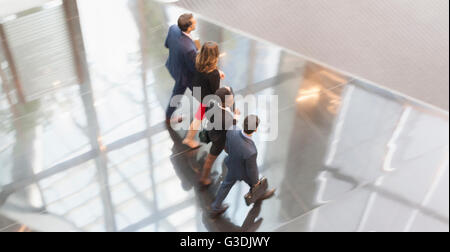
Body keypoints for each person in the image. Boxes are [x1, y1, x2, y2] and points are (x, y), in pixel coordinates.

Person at [210, 115, 276, 216]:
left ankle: (215, 207)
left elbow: (227, 146)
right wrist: (256, 184)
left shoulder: (233, 130)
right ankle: (259, 193)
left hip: (231, 164)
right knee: (250, 181)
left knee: (226, 185)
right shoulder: (251, 151)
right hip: (241, 171)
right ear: (255, 129)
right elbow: (252, 171)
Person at [183, 41, 225, 149]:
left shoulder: (198, 58)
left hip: (197, 89)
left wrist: (217, 71)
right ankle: (188, 139)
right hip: (206, 97)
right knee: (198, 118)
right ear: (216, 55)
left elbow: (207, 71)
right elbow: (215, 92)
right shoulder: (213, 74)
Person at [164, 13, 198, 125]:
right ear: (189, 27)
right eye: (194, 22)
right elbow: (194, 68)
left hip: (173, 66)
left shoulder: (173, 28)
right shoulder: (189, 49)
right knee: (180, 93)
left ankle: (168, 117)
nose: (196, 22)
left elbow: (167, 44)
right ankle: (168, 118)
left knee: (179, 92)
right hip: (184, 76)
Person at [200, 87, 237, 187]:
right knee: (210, 159)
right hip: (219, 141)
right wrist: (235, 118)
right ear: (224, 102)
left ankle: (232, 157)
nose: (233, 99)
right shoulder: (227, 118)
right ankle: (203, 179)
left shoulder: (212, 104)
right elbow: (232, 126)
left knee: (229, 149)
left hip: (213, 133)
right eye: (230, 99)